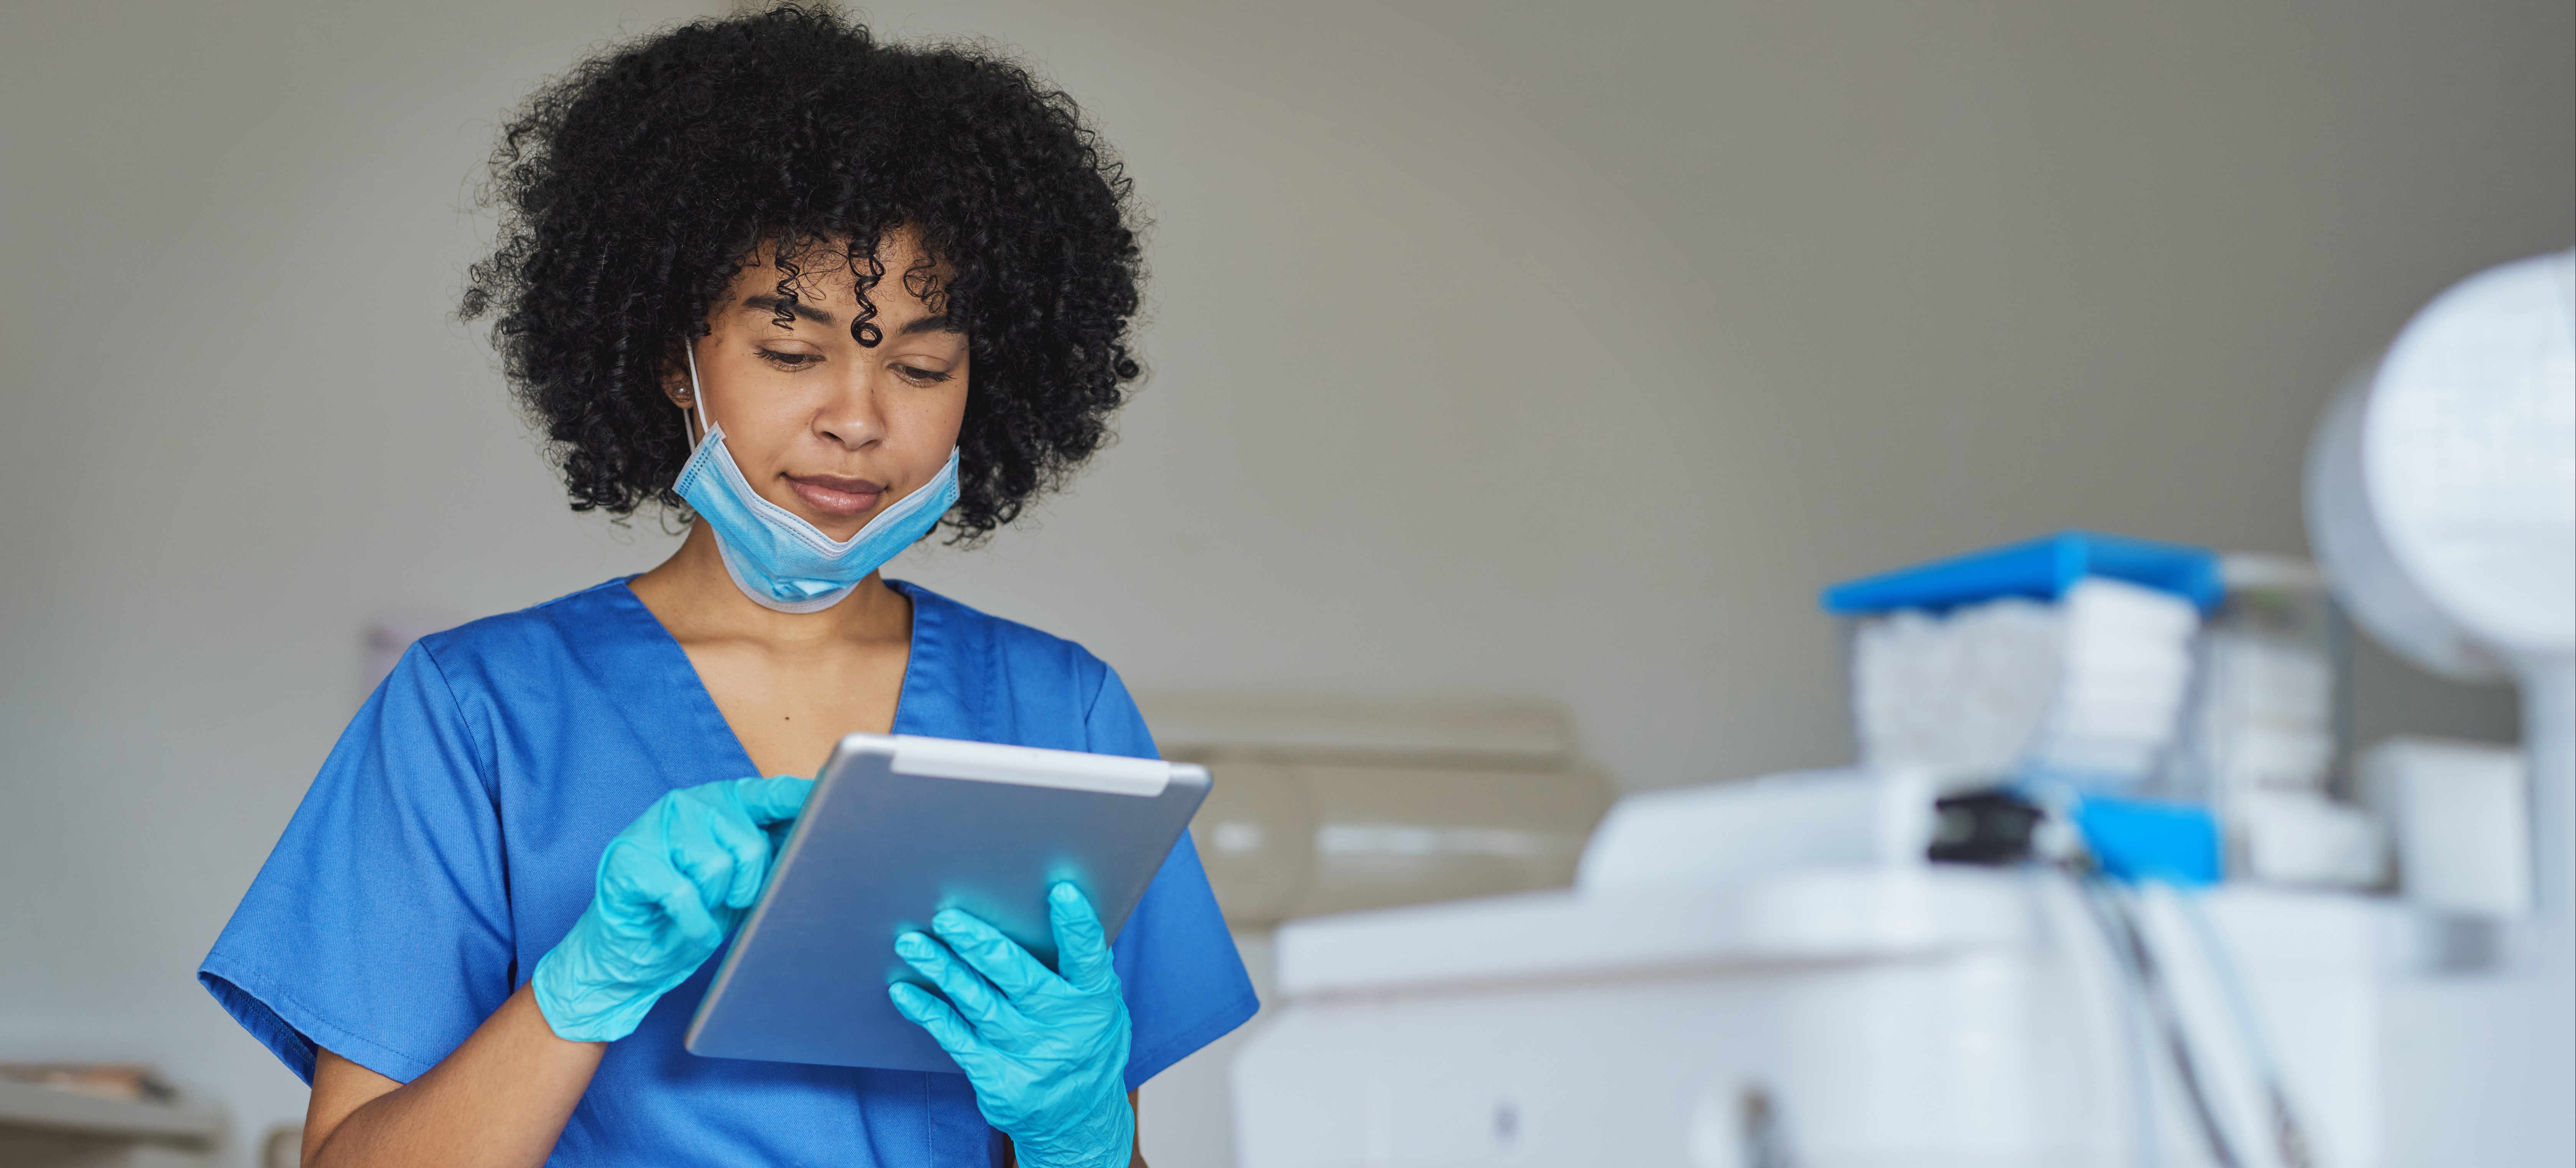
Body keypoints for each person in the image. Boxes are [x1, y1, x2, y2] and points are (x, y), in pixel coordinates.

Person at [196, 8, 1255, 1166]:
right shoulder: (477, 715)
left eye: (919, 364)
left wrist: (1081, 1130)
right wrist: (578, 989)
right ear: (671, 359)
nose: (857, 419)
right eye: (791, 353)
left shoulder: (1064, 713)